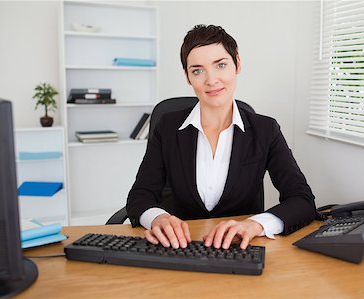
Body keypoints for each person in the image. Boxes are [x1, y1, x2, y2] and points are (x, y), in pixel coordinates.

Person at [126, 24, 317, 250]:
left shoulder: (265, 130)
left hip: (242, 250)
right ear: (187, 77)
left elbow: (302, 200)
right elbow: (140, 195)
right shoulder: (167, 126)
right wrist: (157, 218)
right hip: (180, 248)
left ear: (237, 64)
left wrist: (255, 225)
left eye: (221, 65)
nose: (211, 80)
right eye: (197, 70)